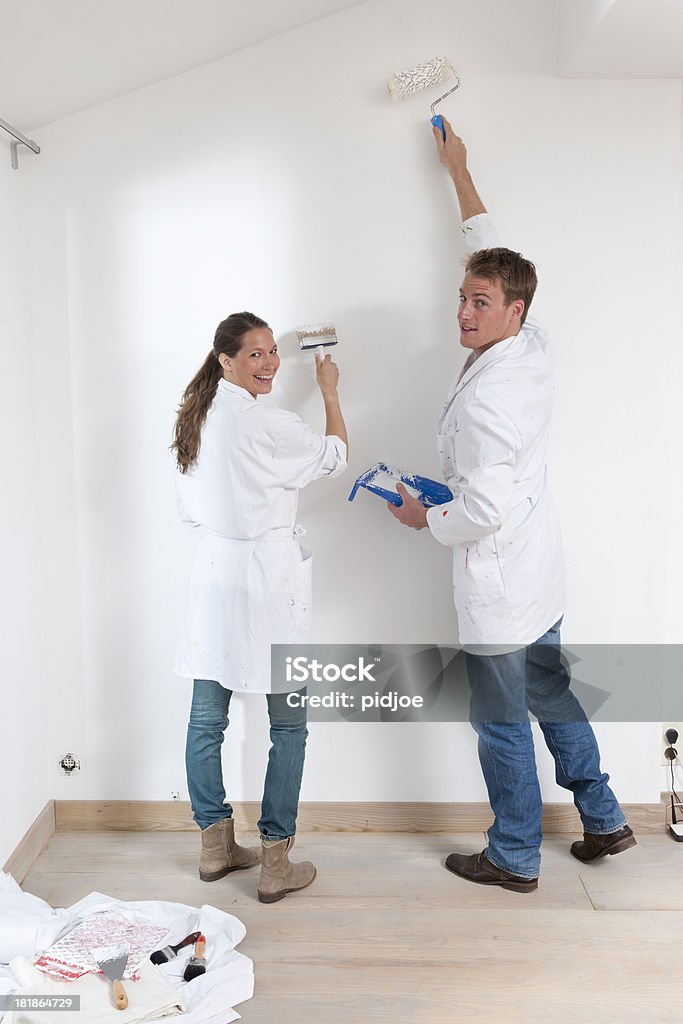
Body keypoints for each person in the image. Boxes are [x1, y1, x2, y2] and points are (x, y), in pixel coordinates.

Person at [388, 120, 635, 892]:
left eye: (480, 302)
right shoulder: (533, 345)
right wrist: (459, 172)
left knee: (499, 723)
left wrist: (424, 516)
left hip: (501, 581)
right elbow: (494, 248)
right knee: (552, 692)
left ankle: (515, 855)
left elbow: (483, 509)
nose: (463, 312)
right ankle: (603, 820)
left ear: (513, 310)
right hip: (539, 574)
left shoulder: (494, 396)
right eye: (462, 297)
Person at [172, 311, 347, 903]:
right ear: (226, 360)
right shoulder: (268, 422)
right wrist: (328, 391)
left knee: (205, 719)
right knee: (289, 724)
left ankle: (215, 847)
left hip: (216, 574)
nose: (269, 363)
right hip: (266, 579)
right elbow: (333, 457)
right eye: (256, 354)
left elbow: (190, 508)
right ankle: (276, 859)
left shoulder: (195, 416)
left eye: (273, 352)